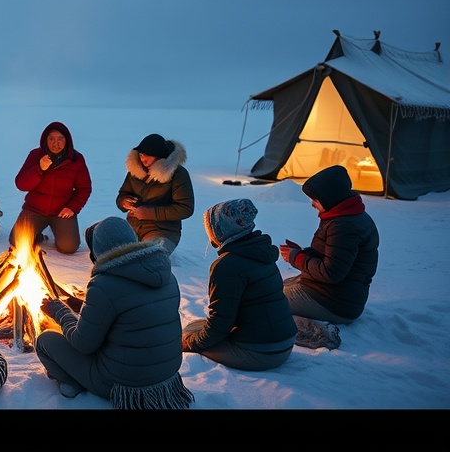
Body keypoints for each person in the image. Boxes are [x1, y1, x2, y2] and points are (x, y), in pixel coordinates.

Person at [36, 216, 194, 409]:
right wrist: (85, 307)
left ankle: (72, 383)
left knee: (45, 341)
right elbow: (133, 315)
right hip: (166, 378)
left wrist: (60, 312)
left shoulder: (105, 284)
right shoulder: (166, 275)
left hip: (124, 385)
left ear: (100, 251)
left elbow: (83, 344)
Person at [182, 199, 297, 371]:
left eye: (209, 227)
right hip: (284, 344)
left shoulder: (227, 265)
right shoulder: (260, 252)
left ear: (222, 229)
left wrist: (187, 344)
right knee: (195, 326)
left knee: (187, 334)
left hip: (260, 353)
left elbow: (220, 323)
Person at [279, 164, 379, 349]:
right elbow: (333, 256)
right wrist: (303, 253)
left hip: (335, 302)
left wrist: (297, 258)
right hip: (334, 294)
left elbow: (331, 272)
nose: (312, 204)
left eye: (315, 199)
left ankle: (318, 333)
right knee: (275, 288)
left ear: (329, 198)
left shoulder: (344, 226)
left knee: (265, 302)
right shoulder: (344, 217)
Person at [9, 121, 92, 254]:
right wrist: (39, 168)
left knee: (68, 247)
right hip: (34, 210)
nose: (56, 143)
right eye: (51, 138)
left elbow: (84, 188)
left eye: (60, 139)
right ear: (45, 140)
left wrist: (72, 207)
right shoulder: (36, 155)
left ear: (67, 141)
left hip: (61, 212)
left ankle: (56, 230)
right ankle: (38, 234)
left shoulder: (76, 160)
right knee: (17, 241)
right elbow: (21, 184)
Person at [116, 133, 194, 256]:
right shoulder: (135, 171)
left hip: (162, 231)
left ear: (160, 157)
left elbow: (185, 208)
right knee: (107, 246)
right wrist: (124, 202)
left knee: (148, 255)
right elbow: (122, 195)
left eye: (148, 156)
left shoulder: (178, 174)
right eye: (141, 155)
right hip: (133, 228)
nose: (143, 160)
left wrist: (149, 213)